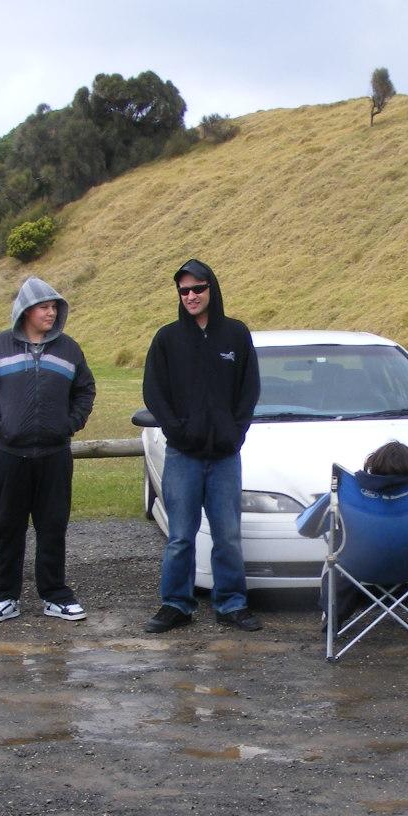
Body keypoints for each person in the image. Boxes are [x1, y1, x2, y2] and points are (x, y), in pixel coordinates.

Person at [0, 277, 97, 624]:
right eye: (44, 307)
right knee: (8, 527)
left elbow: (85, 390)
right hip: (9, 454)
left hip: (54, 454)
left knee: (52, 526)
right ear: (25, 311)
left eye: (54, 307)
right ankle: (5, 596)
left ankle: (56, 595)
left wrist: (71, 423)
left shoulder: (69, 349)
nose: (51, 313)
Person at [141, 259, 262, 633]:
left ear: (212, 289)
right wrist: (177, 430)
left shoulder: (236, 335)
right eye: (184, 291)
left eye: (198, 288)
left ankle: (232, 603)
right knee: (180, 536)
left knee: (228, 536)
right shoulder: (167, 339)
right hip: (183, 456)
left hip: (225, 456)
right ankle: (176, 604)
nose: (191, 296)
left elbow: (249, 389)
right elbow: (154, 392)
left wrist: (235, 432)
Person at [296, 440, 408, 619]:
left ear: (373, 465)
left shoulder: (345, 492)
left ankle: (335, 614)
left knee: (338, 550)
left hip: (358, 568)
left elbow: (307, 527)